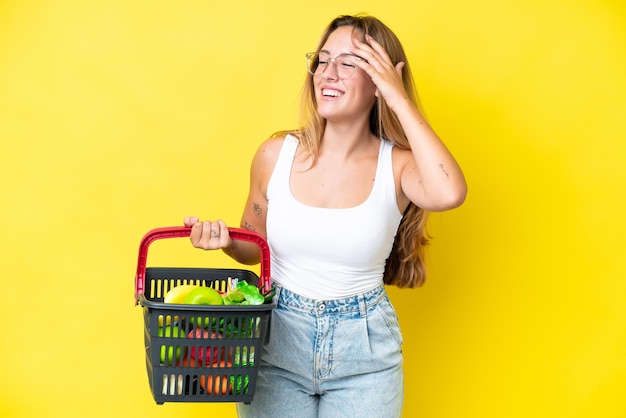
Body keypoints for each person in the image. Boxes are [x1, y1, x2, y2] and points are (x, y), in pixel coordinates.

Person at [184, 14, 467, 418]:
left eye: (350, 63)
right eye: (323, 59)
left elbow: (450, 191)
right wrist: (227, 241)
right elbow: (254, 245)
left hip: (364, 355)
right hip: (273, 340)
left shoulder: (399, 167)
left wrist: (398, 97)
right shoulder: (274, 154)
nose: (328, 73)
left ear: (379, 82)